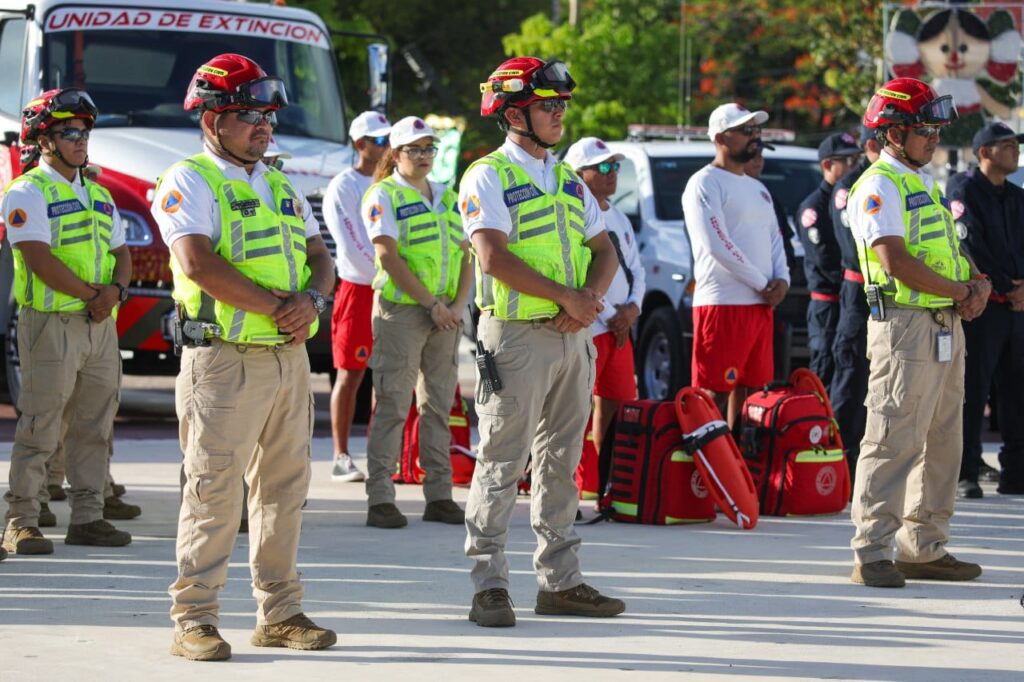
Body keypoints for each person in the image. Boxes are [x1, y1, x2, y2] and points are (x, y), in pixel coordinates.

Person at [152, 53, 336, 661]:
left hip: (286, 361)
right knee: (214, 491)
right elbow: (198, 263)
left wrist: (311, 300)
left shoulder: (280, 182)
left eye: (266, 114)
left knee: (285, 489)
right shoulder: (189, 180)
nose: (264, 125)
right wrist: (277, 307)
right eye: (247, 114)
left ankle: (280, 612)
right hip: (222, 362)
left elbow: (321, 257)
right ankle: (194, 618)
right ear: (211, 119)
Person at [459, 56, 623, 628]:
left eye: (562, 105)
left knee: (563, 461)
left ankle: (560, 581)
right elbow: (492, 256)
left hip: (572, 337)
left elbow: (606, 251)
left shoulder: (569, 179)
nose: (559, 113)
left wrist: (588, 301)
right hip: (516, 340)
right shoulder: (487, 175)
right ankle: (490, 585)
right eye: (549, 104)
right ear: (513, 114)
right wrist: (569, 298)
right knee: (501, 462)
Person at [847, 77, 988, 588]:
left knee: (943, 442)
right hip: (905, 328)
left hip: (943, 325)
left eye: (935, 128)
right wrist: (958, 292)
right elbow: (894, 259)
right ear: (893, 132)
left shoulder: (920, 183)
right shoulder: (879, 184)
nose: (934, 137)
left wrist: (974, 282)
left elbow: (946, 250)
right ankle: (871, 551)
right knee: (893, 440)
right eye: (925, 128)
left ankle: (923, 547)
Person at [2, 89, 133, 557]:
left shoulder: (98, 193)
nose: (82, 140)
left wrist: (115, 293)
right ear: (44, 140)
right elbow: (37, 259)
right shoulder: (26, 191)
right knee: (41, 423)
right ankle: (21, 520)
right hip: (52, 323)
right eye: (70, 132)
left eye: (85, 131)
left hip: (99, 325)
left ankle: (88, 517)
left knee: (94, 425)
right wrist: (96, 297)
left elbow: (122, 253)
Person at [360, 115, 471, 529]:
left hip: (445, 313)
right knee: (392, 403)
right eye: (415, 149)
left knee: (438, 405)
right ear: (396, 153)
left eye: (429, 149)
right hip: (402, 310)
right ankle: (380, 498)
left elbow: (466, 253)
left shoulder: (446, 194)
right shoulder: (384, 195)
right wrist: (431, 304)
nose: (424, 156)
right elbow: (388, 255)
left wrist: (458, 305)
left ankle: (439, 495)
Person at [682, 102, 790, 427]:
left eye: (756, 130)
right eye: (745, 130)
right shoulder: (704, 183)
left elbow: (775, 240)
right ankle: (706, 471)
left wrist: (781, 280)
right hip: (723, 303)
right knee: (714, 394)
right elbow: (717, 243)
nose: (754, 137)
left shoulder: (759, 188)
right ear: (720, 138)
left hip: (760, 307)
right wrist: (763, 283)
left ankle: (742, 468)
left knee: (752, 394)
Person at [947, 122, 1024, 499]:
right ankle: (965, 471)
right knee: (972, 390)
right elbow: (969, 243)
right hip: (983, 308)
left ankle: (1016, 471)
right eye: (1006, 146)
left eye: (1015, 145)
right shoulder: (963, 190)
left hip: (1017, 307)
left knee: (1017, 390)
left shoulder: (1016, 196)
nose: (1014, 151)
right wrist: (1008, 287)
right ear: (984, 153)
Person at [564, 136, 646, 472]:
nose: (613, 173)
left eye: (615, 166)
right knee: (577, 408)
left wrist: (632, 309)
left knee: (618, 404)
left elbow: (636, 269)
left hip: (618, 330)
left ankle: (608, 481)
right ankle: (581, 479)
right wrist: (614, 315)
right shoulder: (571, 213)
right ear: (579, 174)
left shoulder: (619, 216)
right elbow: (578, 274)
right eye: (603, 167)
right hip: (592, 325)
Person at [323, 111, 392, 483]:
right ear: (359, 145)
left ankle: (383, 455)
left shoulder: (394, 184)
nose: (386, 148)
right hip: (359, 289)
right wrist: (391, 272)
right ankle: (340, 454)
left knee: (388, 378)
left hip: (392, 290)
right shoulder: (343, 186)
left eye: (388, 140)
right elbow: (352, 243)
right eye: (379, 141)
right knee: (349, 376)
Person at [828, 126, 883, 483]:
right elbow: (853, 248)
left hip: (889, 296)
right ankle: (838, 465)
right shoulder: (852, 186)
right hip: (859, 293)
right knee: (850, 379)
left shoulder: (904, 181)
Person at [797, 133, 862, 388]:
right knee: (824, 372)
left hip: (849, 300)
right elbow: (826, 259)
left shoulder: (850, 198)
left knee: (849, 374)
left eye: (856, 159)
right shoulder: (814, 207)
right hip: (829, 305)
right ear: (827, 165)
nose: (854, 166)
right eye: (846, 161)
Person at [743, 142, 798, 278]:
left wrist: (782, 277)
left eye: (760, 155)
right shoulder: (724, 193)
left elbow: (784, 244)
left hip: (772, 284)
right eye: (752, 155)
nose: (758, 160)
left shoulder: (766, 197)